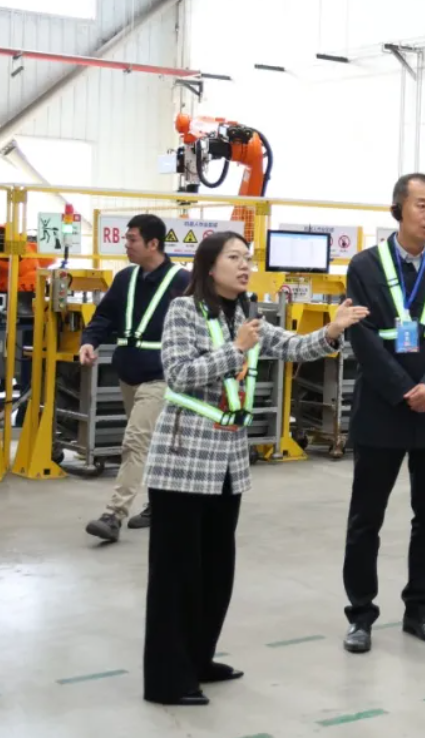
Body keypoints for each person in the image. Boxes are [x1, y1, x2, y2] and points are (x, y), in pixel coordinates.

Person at [142, 232, 366, 705]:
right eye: (234, 257)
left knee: (215, 570)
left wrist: (331, 331)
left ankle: (199, 659)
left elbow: (293, 347)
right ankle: (166, 680)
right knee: (176, 575)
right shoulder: (184, 310)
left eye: (248, 258)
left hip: (227, 461)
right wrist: (237, 349)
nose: (245, 265)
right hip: (183, 458)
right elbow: (179, 374)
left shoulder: (246, 313)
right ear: (210, 266)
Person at [341, 173, 425, 653]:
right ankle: (361, 615)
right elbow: (362, 337)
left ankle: (419, 610)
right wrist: (403, 389)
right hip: (383, 409)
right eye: (422, 205)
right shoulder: (365, 266)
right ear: (398, 209)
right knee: (366, 519)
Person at [80, 215, 191, 541]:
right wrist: (89, 341)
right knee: (153, 445)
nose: (126, 245)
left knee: (136, 441)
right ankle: (161, 504)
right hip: (129, 374)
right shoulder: (125, 278)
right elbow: (105, 316)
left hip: (162, 376)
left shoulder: (182, 282)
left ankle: (114, 515)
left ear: (153, 244)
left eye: (132, 240)